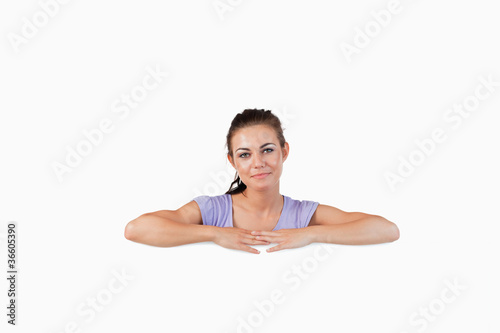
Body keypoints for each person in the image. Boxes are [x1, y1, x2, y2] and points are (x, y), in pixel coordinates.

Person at [124, 109, 399, 254]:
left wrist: (311, 234)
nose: (258, 163)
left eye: (267, 150)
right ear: (232, 161)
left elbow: (387, 230)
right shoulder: (211, 211)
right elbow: (136, 229)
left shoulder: (304, 215)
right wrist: (214, 233)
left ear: (284, 151)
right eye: (245, 154)